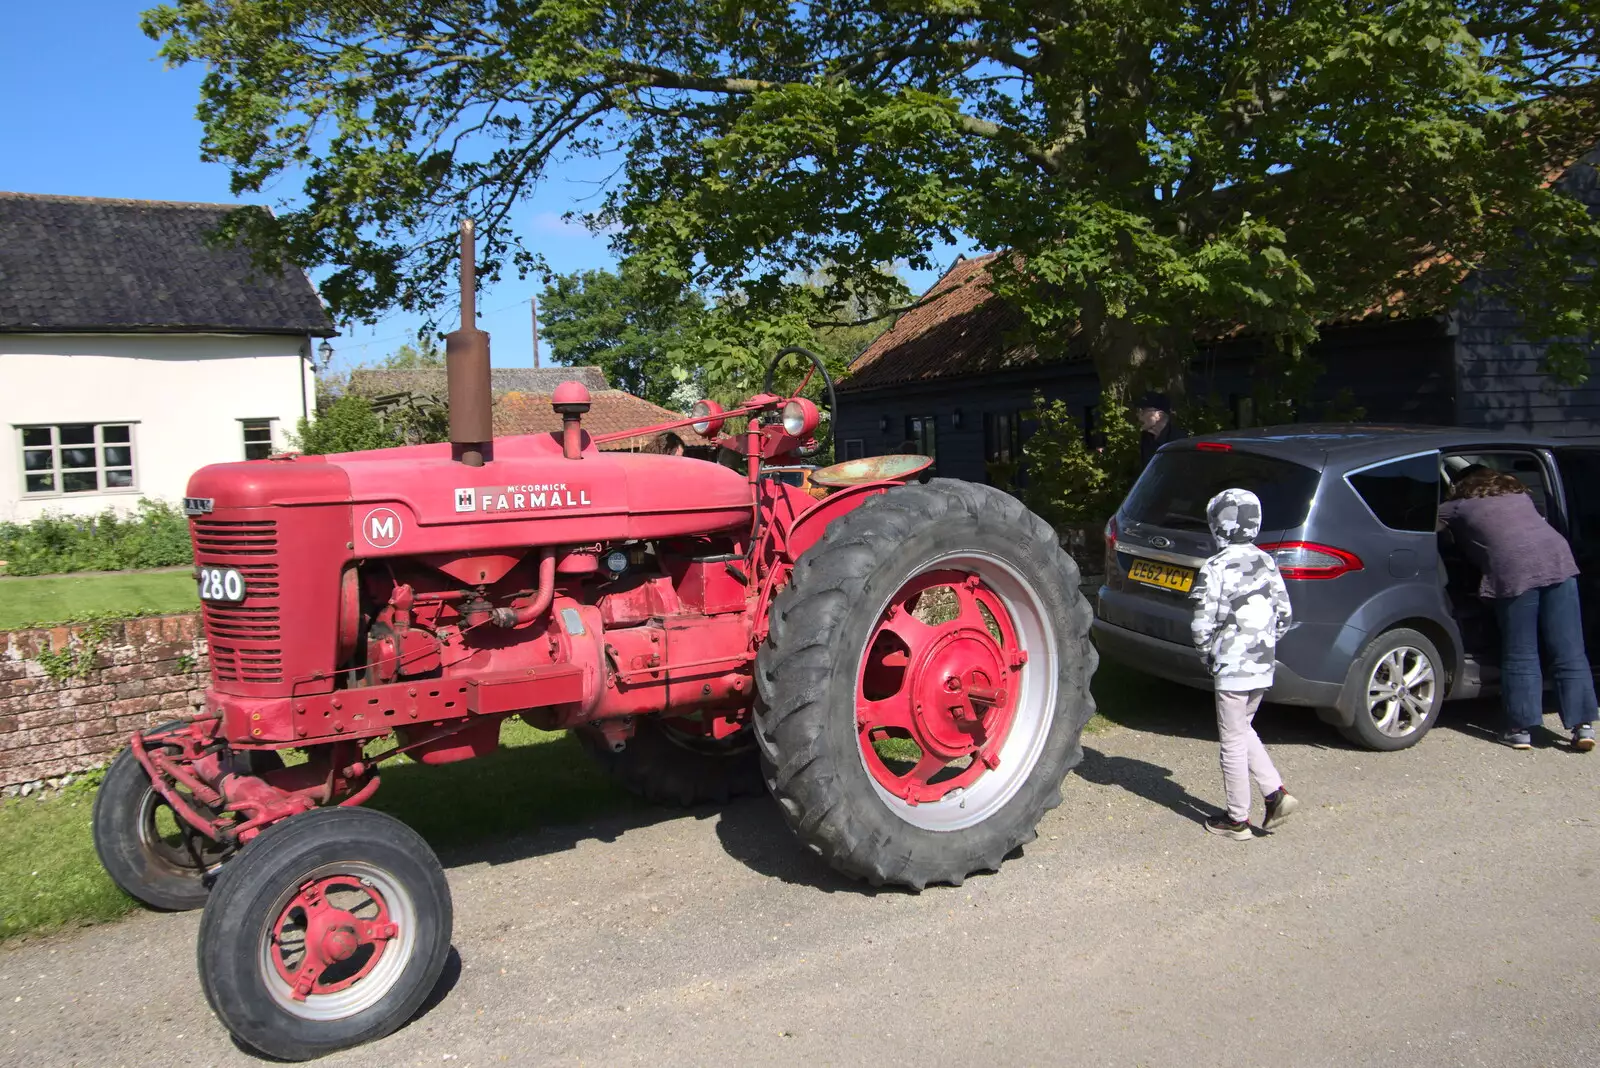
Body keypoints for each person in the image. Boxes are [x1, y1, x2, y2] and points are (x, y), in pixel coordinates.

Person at [1438, 468, 1597, 751]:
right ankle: (1582, 726)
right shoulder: (1517, 494)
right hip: (1558, 560)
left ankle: (1520, 729)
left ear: (1460, 485)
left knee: (1521, 652)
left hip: (1515, 569)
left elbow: (1415, 528)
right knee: (1568, 648)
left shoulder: (1456, 507)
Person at [1190, 488, 1300, 840]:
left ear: (1216, 524)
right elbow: (1284, 614)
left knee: (1232, 742)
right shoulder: (1266, 562)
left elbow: (1202, 621)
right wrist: (1265, 642)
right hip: (1262, 663)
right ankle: (1275, 794)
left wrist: (1207, 651)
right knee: (1243, 729)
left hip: (1231, 664)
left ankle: (1237, 818)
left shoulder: (1215, 567)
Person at [1136, 391, 1187, 472]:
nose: (1138, 415)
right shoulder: (1146, 437)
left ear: (1159, 415)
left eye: (1143, 411)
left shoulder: (1179, 439)